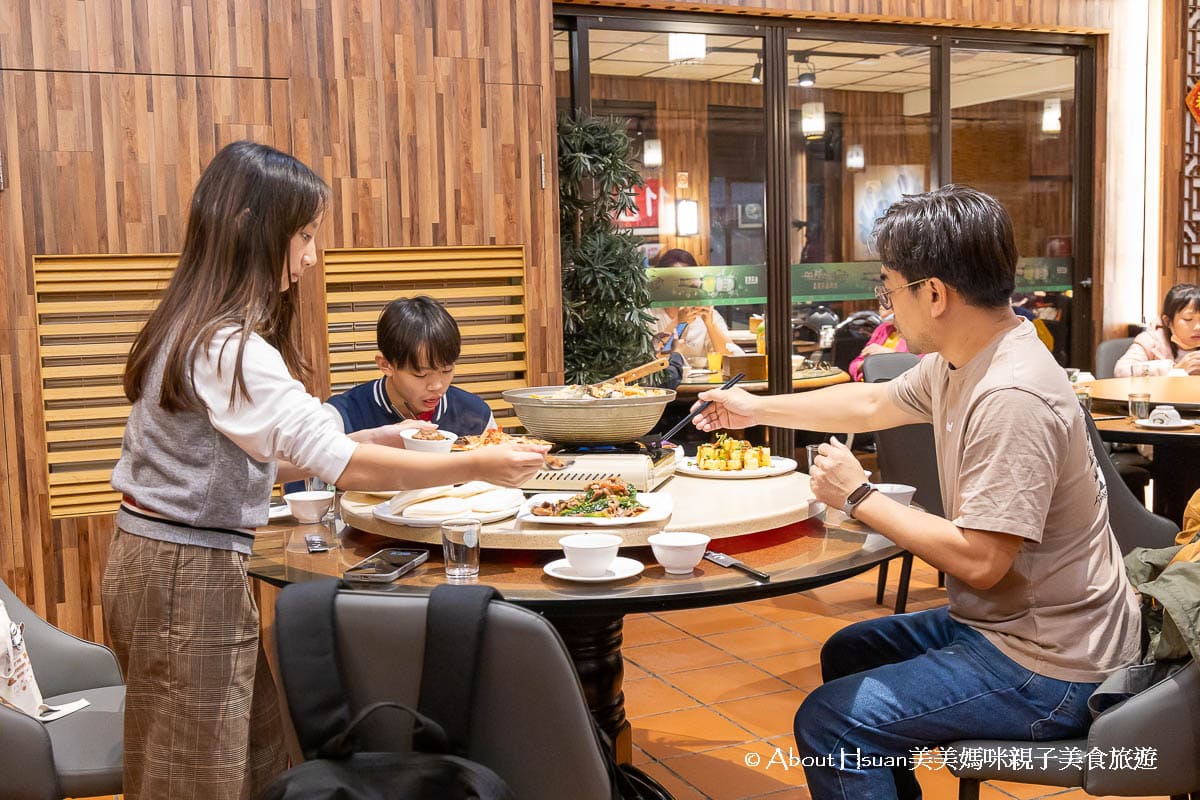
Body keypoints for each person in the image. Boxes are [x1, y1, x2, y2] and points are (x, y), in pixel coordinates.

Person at [102, 141, 545, 800]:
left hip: (164, 560)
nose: (311, 255)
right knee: (192, 776)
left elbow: (249, 456)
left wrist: (370, 433)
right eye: (304, 234)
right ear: (256, 229)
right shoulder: (230, 345)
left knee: (248, 756)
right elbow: (338, 466)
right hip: (182, 573)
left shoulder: (196, 325)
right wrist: (478, 462)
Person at [690, 185, 1140, 800]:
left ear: (933, 293)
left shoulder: (1011, 396)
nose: (885, 307)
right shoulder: (968, 355)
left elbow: (982, 561)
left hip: (1055, 664)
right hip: (1012, 627)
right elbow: (874, 400)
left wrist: (859, 495)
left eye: (888, 289)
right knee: (853, 650)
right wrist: (754, 407)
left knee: (834, 720)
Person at [324, 295, 497, 436]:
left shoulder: (476, 415)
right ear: (386, 365)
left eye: (446, 370)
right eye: (421, 374)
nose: (437, 386)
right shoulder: (341, 416)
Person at [648, 248, 740, 360]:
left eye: (688, 280)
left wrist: (710, 325)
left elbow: (730, 358)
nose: (682, 286)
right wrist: (679, 323)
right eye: (675, 280)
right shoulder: (649, 313)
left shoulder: (707, 313)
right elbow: (654, 357)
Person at [1114, 283, 1200, 376]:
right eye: (1188, 319)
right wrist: (1175, 369)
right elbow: (1121, 371)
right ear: (1167, 321)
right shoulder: (1151, 340)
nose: (1198, 327)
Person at [846, 311, 911, 381]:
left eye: (886, 301)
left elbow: (918, 367)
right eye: (880, 302)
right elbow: (854, 366)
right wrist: (868, 363)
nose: (881, 306)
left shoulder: (915, 332)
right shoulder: (883, 328)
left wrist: (890, 355)